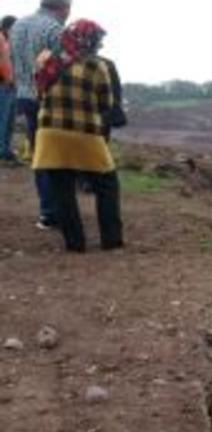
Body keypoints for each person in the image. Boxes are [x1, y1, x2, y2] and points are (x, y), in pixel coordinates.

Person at [31, 19, 123, 253]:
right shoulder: (97, 66)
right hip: (85, 133)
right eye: (97, 40)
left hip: (50, 134)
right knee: (107, 184)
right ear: (89, 41)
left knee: (62, 189)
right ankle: (111, 240)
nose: (99, 45)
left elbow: (39, 93)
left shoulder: (46, 60)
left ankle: (75, 244)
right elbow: (106, 104)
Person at [10, 0, 72, 229]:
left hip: (24, 95)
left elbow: (14, 60)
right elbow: (64, 67)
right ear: (64, 8)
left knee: (40, 153)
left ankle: (47, 212)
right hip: (50, 98)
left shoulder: (18, 25)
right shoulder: (55, 29)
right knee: (57, 156)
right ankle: (57, 211)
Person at [0, 16, 18, 166]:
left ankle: (6, 150)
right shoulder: (1, 39)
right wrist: (7, 79)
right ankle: (3, 152)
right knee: (4, 119)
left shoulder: (7, 41)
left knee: (8, 120)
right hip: (4, 85)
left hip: (9, 84)